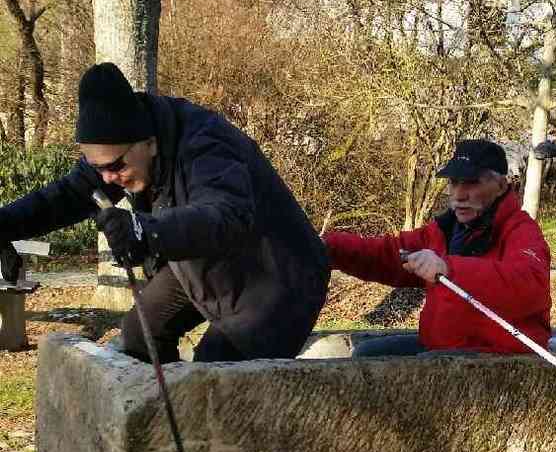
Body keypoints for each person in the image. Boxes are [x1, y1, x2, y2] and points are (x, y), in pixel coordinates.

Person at [0, 62, 329, 363]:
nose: (107, 179)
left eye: (115, 166)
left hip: (277, 276)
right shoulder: (125, 146)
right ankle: (160, 421)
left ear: (150, 143)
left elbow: (227, 216)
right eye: (96, 167)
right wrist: (4, 227)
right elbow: (67, 196)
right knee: (140, 334)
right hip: (203, 258)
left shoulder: (206, 144)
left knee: (215, 375)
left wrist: (145, 231)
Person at [324, 138, 550, 357]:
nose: (459, 195)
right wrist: (331, 248)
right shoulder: (445, 229)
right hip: (441, 344)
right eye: (453, 182)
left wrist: (449, 269)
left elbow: (530, 285)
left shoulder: (521, 230)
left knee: (411, 366)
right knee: (366, 354)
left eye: (472, 182)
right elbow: (389, 254)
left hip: (495, 352)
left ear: (501, 186)